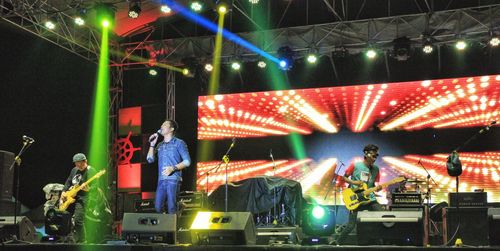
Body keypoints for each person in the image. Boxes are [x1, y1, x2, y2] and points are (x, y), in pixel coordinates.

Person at [331, 144, 384, 245]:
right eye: (373, 156)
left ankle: (377, 241)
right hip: (357, 198)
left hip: (370, 198)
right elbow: (344, 177)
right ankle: (337, 243)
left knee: (382, 215)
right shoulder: (355, 165)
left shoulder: (376, 169)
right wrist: (354, 183)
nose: (375, 158)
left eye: (376, 156)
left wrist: (378, 188)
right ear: (366, 154)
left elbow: (374, 185)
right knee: (351, 225)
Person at [147, 120, 191, 214]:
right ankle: (166, 224)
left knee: (171, 207)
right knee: (158, 207)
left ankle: (176, 211)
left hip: (173, 179)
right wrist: (152, 144)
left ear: (171, 129)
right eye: (161, 124)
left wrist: (173, 168)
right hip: (161, 180)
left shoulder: (179, 143)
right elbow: (149, 159)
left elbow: (187, 162)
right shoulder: (159, 145)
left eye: (165, 124)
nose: (162, 126)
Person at [60, 153, 97, 243]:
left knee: (78, 220)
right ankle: (66, 238)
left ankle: (82, 240)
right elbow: (68, 181)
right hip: (70, 197)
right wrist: (64, 191)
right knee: (64, 217)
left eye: (80, 163)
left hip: (83, 198)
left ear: (85, 161)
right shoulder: (74, 170)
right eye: (76, 163)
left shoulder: (91, 171)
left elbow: (95, 186)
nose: (78, 166)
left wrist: (88, 189)